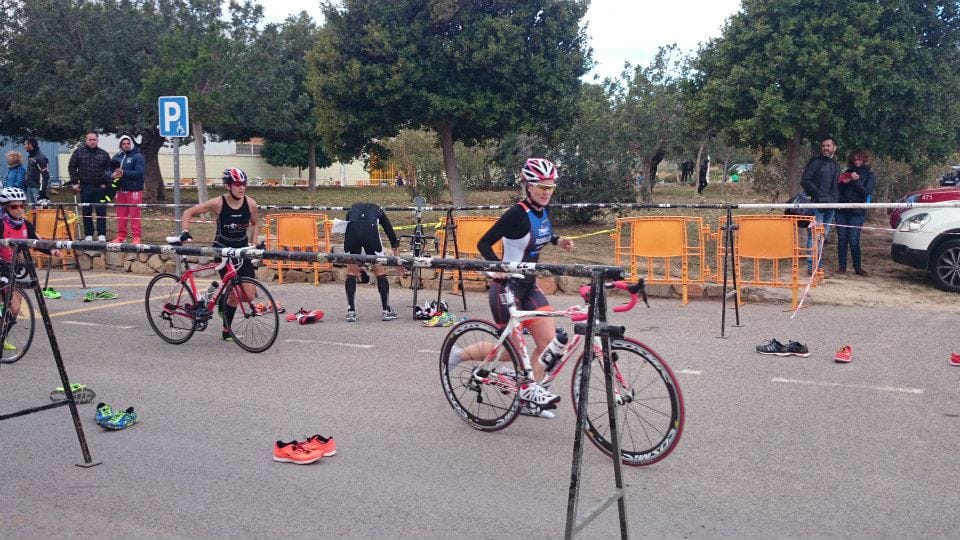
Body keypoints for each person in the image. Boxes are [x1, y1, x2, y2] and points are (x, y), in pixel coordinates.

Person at [475, 157, 575, 416]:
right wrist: (497, 268)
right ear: (528, 187)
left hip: (529, 286)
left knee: (549, 344)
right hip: (507, 289)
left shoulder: (542, 211)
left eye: (550, 187)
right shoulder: (516, 213)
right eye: (540, 186)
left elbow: (540, 234)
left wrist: (557, 240)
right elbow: (483, 243)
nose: (545, 191)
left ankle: (529, 398)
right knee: (509, 354)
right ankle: (459, 356)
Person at [179, 168, 259, 342]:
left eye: (244, 184)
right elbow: (188, 212)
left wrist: (253, 244)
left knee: (249, 296)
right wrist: (186, 231)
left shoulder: (251, 204)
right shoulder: (219, 203)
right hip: (222, 251)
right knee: (234, 293)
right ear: (227, 186)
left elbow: (255, 223)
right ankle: (226, 331)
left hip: (241, 252)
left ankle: (218, 293)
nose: (242, 188)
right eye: (237, 184)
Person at [0, 187, 61, 352]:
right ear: (5, 207)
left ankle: (2, 337)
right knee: (9, 305)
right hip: (1, 267)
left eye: (22, 206)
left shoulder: (26, 224)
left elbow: (36, 241)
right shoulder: (1, 223)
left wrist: (52, 250)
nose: (19, 209)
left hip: (15, 268)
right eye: (14, 207)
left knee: (14, 310)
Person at [341, 202, 400, 322]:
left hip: (352, 234)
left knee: (351, 273)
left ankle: (351, 312)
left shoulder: (352, 209)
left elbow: (347, 228)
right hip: (370, 233)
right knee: (379, 271)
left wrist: (357, 264)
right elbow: (390, 232)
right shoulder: (379, 210)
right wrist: (398, 259)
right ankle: (386, 311)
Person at [800, 137, 841, 275]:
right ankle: (812, 268)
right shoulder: (815, 162)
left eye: (828, 146)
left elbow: (835, 185)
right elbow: (805, 180)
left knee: (822, 236)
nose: (825, 148)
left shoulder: (836, 165)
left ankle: (819, 267)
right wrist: (818, 194)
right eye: (823, 146)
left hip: (831, 206)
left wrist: (836, 200)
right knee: (814, 236)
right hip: (817, 205)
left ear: (834, 147)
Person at [835, 149, 876, 276]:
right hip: (841, 210)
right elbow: (839, 190)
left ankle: (857, 267)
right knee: (842, 239)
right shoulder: (847, 172)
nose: (857, 161)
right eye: (855, 159)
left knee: (854, 240)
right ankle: (842, 267)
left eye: (860, 159)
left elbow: (866, 192)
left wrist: (855, 181)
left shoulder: (870, 175)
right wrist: (843, 183)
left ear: (864, 160)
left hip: (857, 212)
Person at [66, 131, 112, 241]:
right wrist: (74, 182)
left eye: (94, 140)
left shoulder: (104, 154)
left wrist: (106, 184)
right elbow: (72, 167)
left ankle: (101, 234)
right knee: (86, 212)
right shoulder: (78, 152)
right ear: (86, 140)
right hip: (85, 187)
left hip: (100, 188)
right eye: (90, 140)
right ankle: (89, 234)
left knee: (101, 211)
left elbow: (110, 170)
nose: (92, 142)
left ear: (97, 140)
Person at [110, 135, 146, 244]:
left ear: (131, 144)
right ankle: (121, 236)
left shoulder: (138, 156)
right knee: (121, 216)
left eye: (128, 143)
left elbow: (139, 173)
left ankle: (136, 237)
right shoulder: (116, 157)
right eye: (123, 143)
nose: (126, 145)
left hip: (134, 190)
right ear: (120, 145)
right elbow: (108, 170)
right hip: (120, 190)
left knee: (135, 215)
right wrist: (112, 175)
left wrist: (123, 173)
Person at [23, 137, 51, 204]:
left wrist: (42, 191)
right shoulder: (31, 156)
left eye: (25, 144)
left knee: (39, 210)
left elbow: (45, 176)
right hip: (30, 187)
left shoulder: (41, 158)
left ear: (30, 145)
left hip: (37, 188)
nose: (24, 147)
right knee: (32, 211)